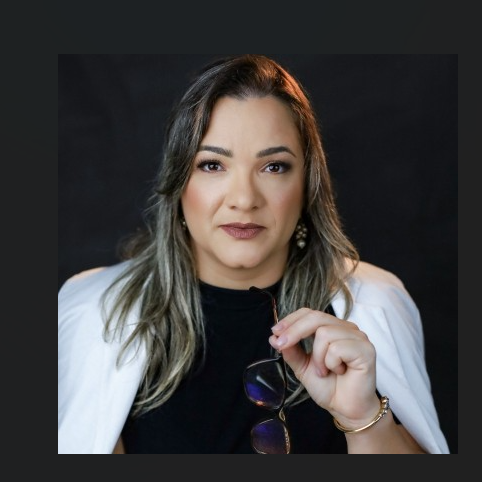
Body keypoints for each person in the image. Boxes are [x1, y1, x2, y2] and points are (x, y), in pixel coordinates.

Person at [58, 54, 449, 454]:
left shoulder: (376, 303)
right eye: (212, 165)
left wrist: (362, 419)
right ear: (178, 181)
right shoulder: (93, 312)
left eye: (274, 167)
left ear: (307, 185)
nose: (244, 199)